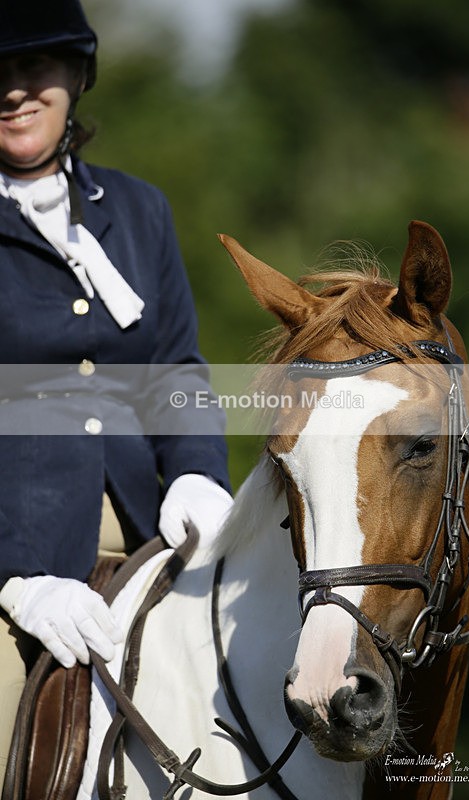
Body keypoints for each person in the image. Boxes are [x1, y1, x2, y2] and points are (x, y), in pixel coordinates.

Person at [0, 0, 232, 788]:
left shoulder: (137, 211)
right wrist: (12, 577)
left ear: (74, 77)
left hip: (146, 543)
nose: (14, 92)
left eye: (33, 69)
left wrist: (200, 471)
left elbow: (174, 371)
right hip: (17, 577)